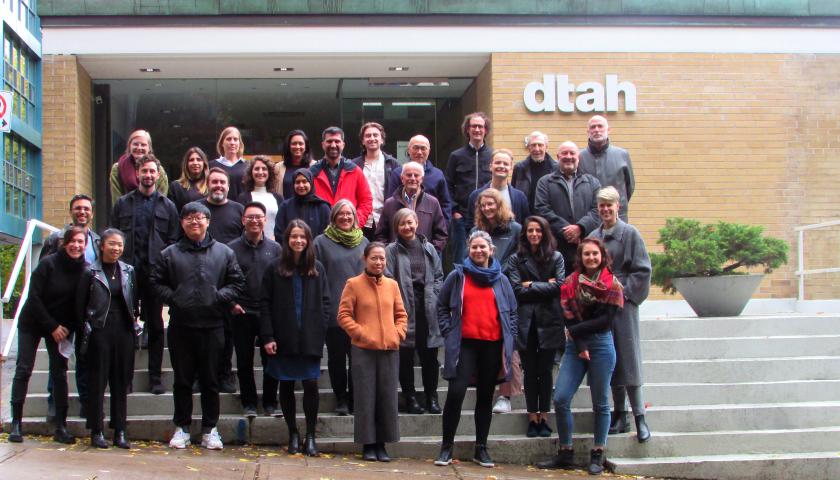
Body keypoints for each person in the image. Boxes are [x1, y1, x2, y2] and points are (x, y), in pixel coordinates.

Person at [151, 201, 245, 450]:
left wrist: (218, 296)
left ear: (208, 221)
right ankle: (181, 427)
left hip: (213, 325)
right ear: (182, 223)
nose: (195, 222)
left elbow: (237, 283)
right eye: (189, 218)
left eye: (199, 217)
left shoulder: (224, 253)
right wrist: (174, 297)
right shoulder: (169, 254)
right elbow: (156, 282)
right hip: (181, 326)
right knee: (182, 380)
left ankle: (209, 429)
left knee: (210, 380)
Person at [535, 238, 622, 475]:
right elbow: (568, 316)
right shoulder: (570, 283)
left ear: (602, 256)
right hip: (575, 345)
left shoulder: (612, 284)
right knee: (561, 398)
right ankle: (565, 452)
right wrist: (580, 342)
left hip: (601, 344)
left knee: (600, 402)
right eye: (587, 254)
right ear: (580, 257)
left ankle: (598, 452)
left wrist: (575, 331)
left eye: (595, 254)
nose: (591, 258)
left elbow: (605, 321)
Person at [434, 230, 517, 468]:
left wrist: (510, 337)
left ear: (491, 250)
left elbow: (512, 312)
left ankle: (481, 448)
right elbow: (441, 305)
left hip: (492, 345)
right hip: (465, 345)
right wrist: (448, 331)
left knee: (485, 396)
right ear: (468, 250)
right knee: (456, 393)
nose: (478, 251)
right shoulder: (458, 276)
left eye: (483, 247)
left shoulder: (501, 280)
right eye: (474, 247)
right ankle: (446, 447)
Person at [9, 227, 89, 445]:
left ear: (85, 245)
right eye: (72, 241)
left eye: (81, 242)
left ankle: (61, 426)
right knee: (24, 369)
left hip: (61, 327)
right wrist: (52, 326)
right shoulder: (48, 264)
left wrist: (66, 328)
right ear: (64, 243)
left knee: (59, 373)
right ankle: (16, 423)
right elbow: (34, 297)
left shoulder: (85, 270)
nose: (76, 246)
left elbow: (79, 305)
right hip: (34, 322)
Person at [111, 154, 180, 395]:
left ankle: (155, 378)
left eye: (152, 171)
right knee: (126, 326)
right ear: (137, 173)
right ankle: (125, 378)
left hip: (154, 275)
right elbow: (114, 237)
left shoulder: (168, 206)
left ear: (158, 175)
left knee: (156, 327)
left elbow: (173, 241)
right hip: (128, 273)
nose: (148, 175)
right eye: (144, 171)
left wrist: (164, 269)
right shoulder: (123, 204)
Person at [261, 220, 331, 456]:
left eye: (302, 237)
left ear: (308, 240)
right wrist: (268, 336)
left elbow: (326, 301)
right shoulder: (274, 268)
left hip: (310, 337)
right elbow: (265, 303)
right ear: (287, 239)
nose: (298, 240)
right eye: (294, 236)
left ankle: (310, 435)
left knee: (311, 384)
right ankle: (292, 432)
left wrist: (320, 328)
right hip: (284, 337)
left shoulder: (317, 268)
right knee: (286, 383)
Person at [588, 186, 652, 443]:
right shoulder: (593, 236)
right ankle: (619, 414)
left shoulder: (630, 234)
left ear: (618, 206)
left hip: (624, 303)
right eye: (601, 205)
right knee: (610, 357)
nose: (605, 209)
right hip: (600, 304)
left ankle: (639, 417)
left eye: (609, 205)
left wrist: (623, 292)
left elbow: (642, 269)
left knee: (628, 358)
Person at [338, 242, 407, 462]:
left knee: (387, 397)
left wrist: (397, 334)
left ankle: (382, 444)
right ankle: (368, 444)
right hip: (363, 350)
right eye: (374, 258)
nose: (378, 262)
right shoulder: (353, 284)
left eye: (382, 258)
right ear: (365, 259)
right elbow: (343, 315)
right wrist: (361, 333)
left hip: (389, 350)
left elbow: (401, 315)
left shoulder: (392, 285)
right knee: (365, 397)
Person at [40, 194, 100, 421]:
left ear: (92, 213)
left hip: (84, 310)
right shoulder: (55, 238)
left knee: (84, 359)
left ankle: (85, 403)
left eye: (86, 208)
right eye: (78, 208)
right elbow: (43, 272)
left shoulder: (97, 240)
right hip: (60, 311)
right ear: (71, 211)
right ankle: (54, 404)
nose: (82, 212)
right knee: (58, 361)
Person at [503, 216, 565, 437]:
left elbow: (559, 286)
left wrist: (530, 285)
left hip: (550, 320)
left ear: (545, 233)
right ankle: (532, 418)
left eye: (538, 230)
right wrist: (544, 286)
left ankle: (544, 417)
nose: (534, 234)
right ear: (525, 234)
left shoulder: (556, 257)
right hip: (526, 321)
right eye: (530, 230)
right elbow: (516, 290)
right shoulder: (516, 259)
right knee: (530, 372)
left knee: (546, 371)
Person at [77, 228, 138, 449]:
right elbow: (80, 307)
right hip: (99, 331)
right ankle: (97, 430)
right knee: (98, 382)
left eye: (119, 244)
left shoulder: (129, 271)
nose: (116, 248)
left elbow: (134, 300)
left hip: (123, 331)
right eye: (111, 244)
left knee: (121, 382)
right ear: (101, 246)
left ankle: (120, 430)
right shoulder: (90, 272)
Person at [384, 209, 445, 415]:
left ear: (417, 223)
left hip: (427, 308)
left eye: (410, 222)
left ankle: (431, 397)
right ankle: (410, 397)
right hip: (403, 308)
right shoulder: (391, 250)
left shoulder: (429, 248)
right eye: (402, 224)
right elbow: (388, 278)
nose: (407, 227)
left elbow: (439, 275)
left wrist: (434, 295)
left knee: (430, 357)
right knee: (406, 357)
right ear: (396, 227)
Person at [313, 200, 369, 415]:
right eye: (341, 214)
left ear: (354, 217)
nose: (345, 217)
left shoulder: (363, 241)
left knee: (358, 359)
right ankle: (341, 399)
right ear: (334, 217)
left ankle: (355, 398)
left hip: (361, 313)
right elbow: (316, 276)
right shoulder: (320, 242)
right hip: (334, 312)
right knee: (336, 358)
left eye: (349, 214)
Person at [227, 202, 282, 418]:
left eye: (259, 217)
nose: (254, 221)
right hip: (241, 311)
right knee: (244, 360)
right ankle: (249, 402)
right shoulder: (231, 249)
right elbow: (224, 279)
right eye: (250, 217)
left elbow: (280, 280)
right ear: (243, 220)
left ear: (265, 220)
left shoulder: (275, 249)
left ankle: (270, 402)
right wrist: (232, 303)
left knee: (271, 359)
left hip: (268, 312)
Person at [198, 167, 244, 393]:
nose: (218, 186)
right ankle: (200, 375)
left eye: (222, 182)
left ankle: (225, 374)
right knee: (200, 332)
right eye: (214, 182)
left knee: (227, 332)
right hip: (200, 277)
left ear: (228, 186)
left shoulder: (238, 209)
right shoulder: (197, 208)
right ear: (207, 184)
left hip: (229, 279)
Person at [534, 141, 602, 276]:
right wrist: (568, 231)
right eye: (564, 153)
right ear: (558, 157)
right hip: (556, 248)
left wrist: (580, 228)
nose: (568, 156)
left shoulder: (593, 182)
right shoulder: (545, 182)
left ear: (578, 157)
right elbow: (541, 209)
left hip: (586, 247)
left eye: (572, 153)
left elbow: (597, 210)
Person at [445, 112, 493, 264]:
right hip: (462, 216)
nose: (477, 130)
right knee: (460, 258)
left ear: (485, 130)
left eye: (480, 126)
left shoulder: (493, 156)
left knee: (486, 256)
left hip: (486, 217)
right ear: (467, 129)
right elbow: (448, 184)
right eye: (473, 126)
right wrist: (454, 211)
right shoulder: (456, 156)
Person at [375, 161, 448, 252]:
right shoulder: (390, 204)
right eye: (409, 175)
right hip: (396, 257)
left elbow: (441, 235)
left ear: (422, 179)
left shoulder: (433, 203)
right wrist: (389, 253)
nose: (412, 178)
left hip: (423, 257)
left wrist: (430, 253)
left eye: (416, 175)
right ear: (402, 178)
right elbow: (381, 234)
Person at [310, 126, 373, 228]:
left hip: (348, 231)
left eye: (337, 141)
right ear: (323, 145)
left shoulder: (355, 171)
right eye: (329, 141)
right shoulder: (312, 173)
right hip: (321, 230)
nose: (333, 145)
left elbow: (366, 201)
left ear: (343, 145)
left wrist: (355, 224)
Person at [385, 134, 452, 224]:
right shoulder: (398, 173)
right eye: (415, 148)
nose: (419, 152)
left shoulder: (437, 175)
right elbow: (391, 203)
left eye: (423, 148)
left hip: (430, 227)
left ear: (429, 151)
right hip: (403, 226)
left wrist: (443, 226)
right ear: (408, 150)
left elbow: (445, 204)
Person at [579, 115, 635, 221]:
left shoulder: (622, 155)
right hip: (588, 219)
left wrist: (615, 205)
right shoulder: (579, 157)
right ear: (588, 131)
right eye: (593, 127)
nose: (596, 130)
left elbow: (630, 186)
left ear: (608, 130)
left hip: (617, 217)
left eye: (600, 126)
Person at [351, 122, 400, 240]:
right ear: (363, 141)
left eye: (375, 135)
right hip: (361, 221)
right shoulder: (353, 165)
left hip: (385, 219)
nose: (372, 138)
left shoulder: (393, 164)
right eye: (368, 136)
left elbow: (399, 193)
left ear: (382, 139)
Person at [465, 148, 529, 232]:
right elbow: (470, 227)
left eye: (505, 164)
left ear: (511, 168)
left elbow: (524, 226)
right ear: (490, 166)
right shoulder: (475, 195)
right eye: (498, 163)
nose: (501, 166)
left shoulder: (520, 197)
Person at [109, 129, 168, 206]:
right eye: (135, 144)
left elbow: (161, 202)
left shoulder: (159, 170)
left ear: (149, 148)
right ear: (129, 146)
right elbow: (117, 202)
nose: (139, 148)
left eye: (143, 145)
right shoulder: (117, 169)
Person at [275, 168, 331, 243]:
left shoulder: (322, 207)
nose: (301, 185)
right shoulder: (285, 207)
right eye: (297, 182)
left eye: (304, 181)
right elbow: (279, 233)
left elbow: (328, 234)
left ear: (311, 183)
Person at [235, 156, 284, 240]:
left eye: (264, 169)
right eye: (257, 169)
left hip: (275, 244)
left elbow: (283, 224)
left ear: (269, 172)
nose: (260, 172)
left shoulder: (278, 198)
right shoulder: (243, 198)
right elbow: (240, 225)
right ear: (251, 172)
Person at [471, 188, 521, 265]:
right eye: (483, 205)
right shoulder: (476, 231)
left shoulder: (516, 229)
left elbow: (521, 257)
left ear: (499, 205)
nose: (486, 208)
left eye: (490, 204)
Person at [512, 131, 557, 212]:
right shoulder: (520, 168)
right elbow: (514, 194)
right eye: (533, 145)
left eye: (540, 145)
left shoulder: (556, 168)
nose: (537, 149)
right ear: (529, 148)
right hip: (527, 216)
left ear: (546, 147)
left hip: (551, 216)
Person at [209, 126, 248, 201]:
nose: (232, 143)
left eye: (235, 139)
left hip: (243, 206)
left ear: (239, 143)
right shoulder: (211, 165)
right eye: (229, 139)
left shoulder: (248, 166)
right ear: (222, 143)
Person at [168, 146, 209, 212]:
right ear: (186, 164)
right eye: (191, 160)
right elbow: (172, 213)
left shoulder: (211, 185)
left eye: (199, 159)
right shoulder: (176, 186)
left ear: (204, 163)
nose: (195, 163)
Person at [277, 129, 315, 198]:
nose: (297, 147)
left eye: (300, 143)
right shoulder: (278, 167)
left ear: (306, 146)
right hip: (284, 205)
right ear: (288, 146)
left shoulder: (315, 166)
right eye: (294, 144)